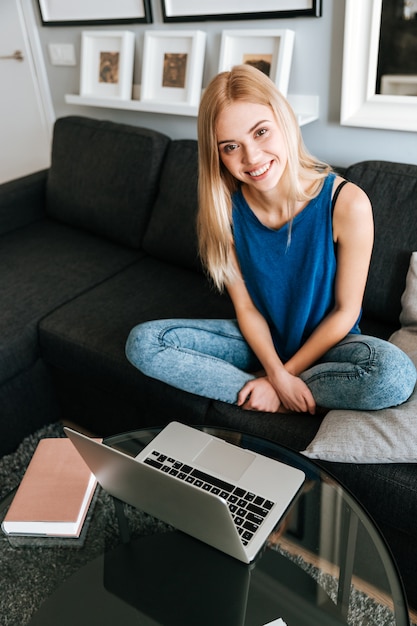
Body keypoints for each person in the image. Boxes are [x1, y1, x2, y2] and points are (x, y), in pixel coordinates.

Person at [126, 64, 416, 415]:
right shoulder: (224, 212)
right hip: (257, 340)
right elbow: (246, 309)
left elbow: (346, 311)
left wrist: (280, 376)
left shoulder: (347, 203)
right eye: (231, 146)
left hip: (330, 345)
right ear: (217, 154)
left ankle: (266, 390)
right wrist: (276, 372)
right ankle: (278, 395)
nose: (251, 157)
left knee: (393, 376)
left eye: (261, 132)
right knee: (144, 344)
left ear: (285, 122)